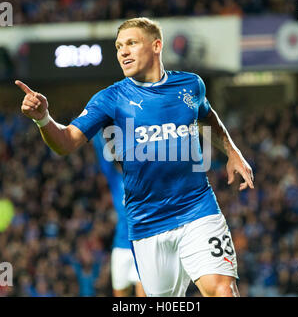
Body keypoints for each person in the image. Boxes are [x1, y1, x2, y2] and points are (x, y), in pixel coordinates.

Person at [15, 17, 254, 297]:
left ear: (156, 45)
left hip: (197, 210)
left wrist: (232, 151)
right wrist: (43, 118)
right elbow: (65, 143)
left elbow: (206, 115)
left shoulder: (190, 85)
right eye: (118, 47)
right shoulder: (110, 99)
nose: (123, 52)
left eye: (131, 43)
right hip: (146, 222)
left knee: (223, 290)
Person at [92, 129, 145, 297]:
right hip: (121, 247)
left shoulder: (145, 179)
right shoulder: (116, 180)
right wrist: (95, 129)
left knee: (143, 294)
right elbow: (102, 157)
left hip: (143, 246)